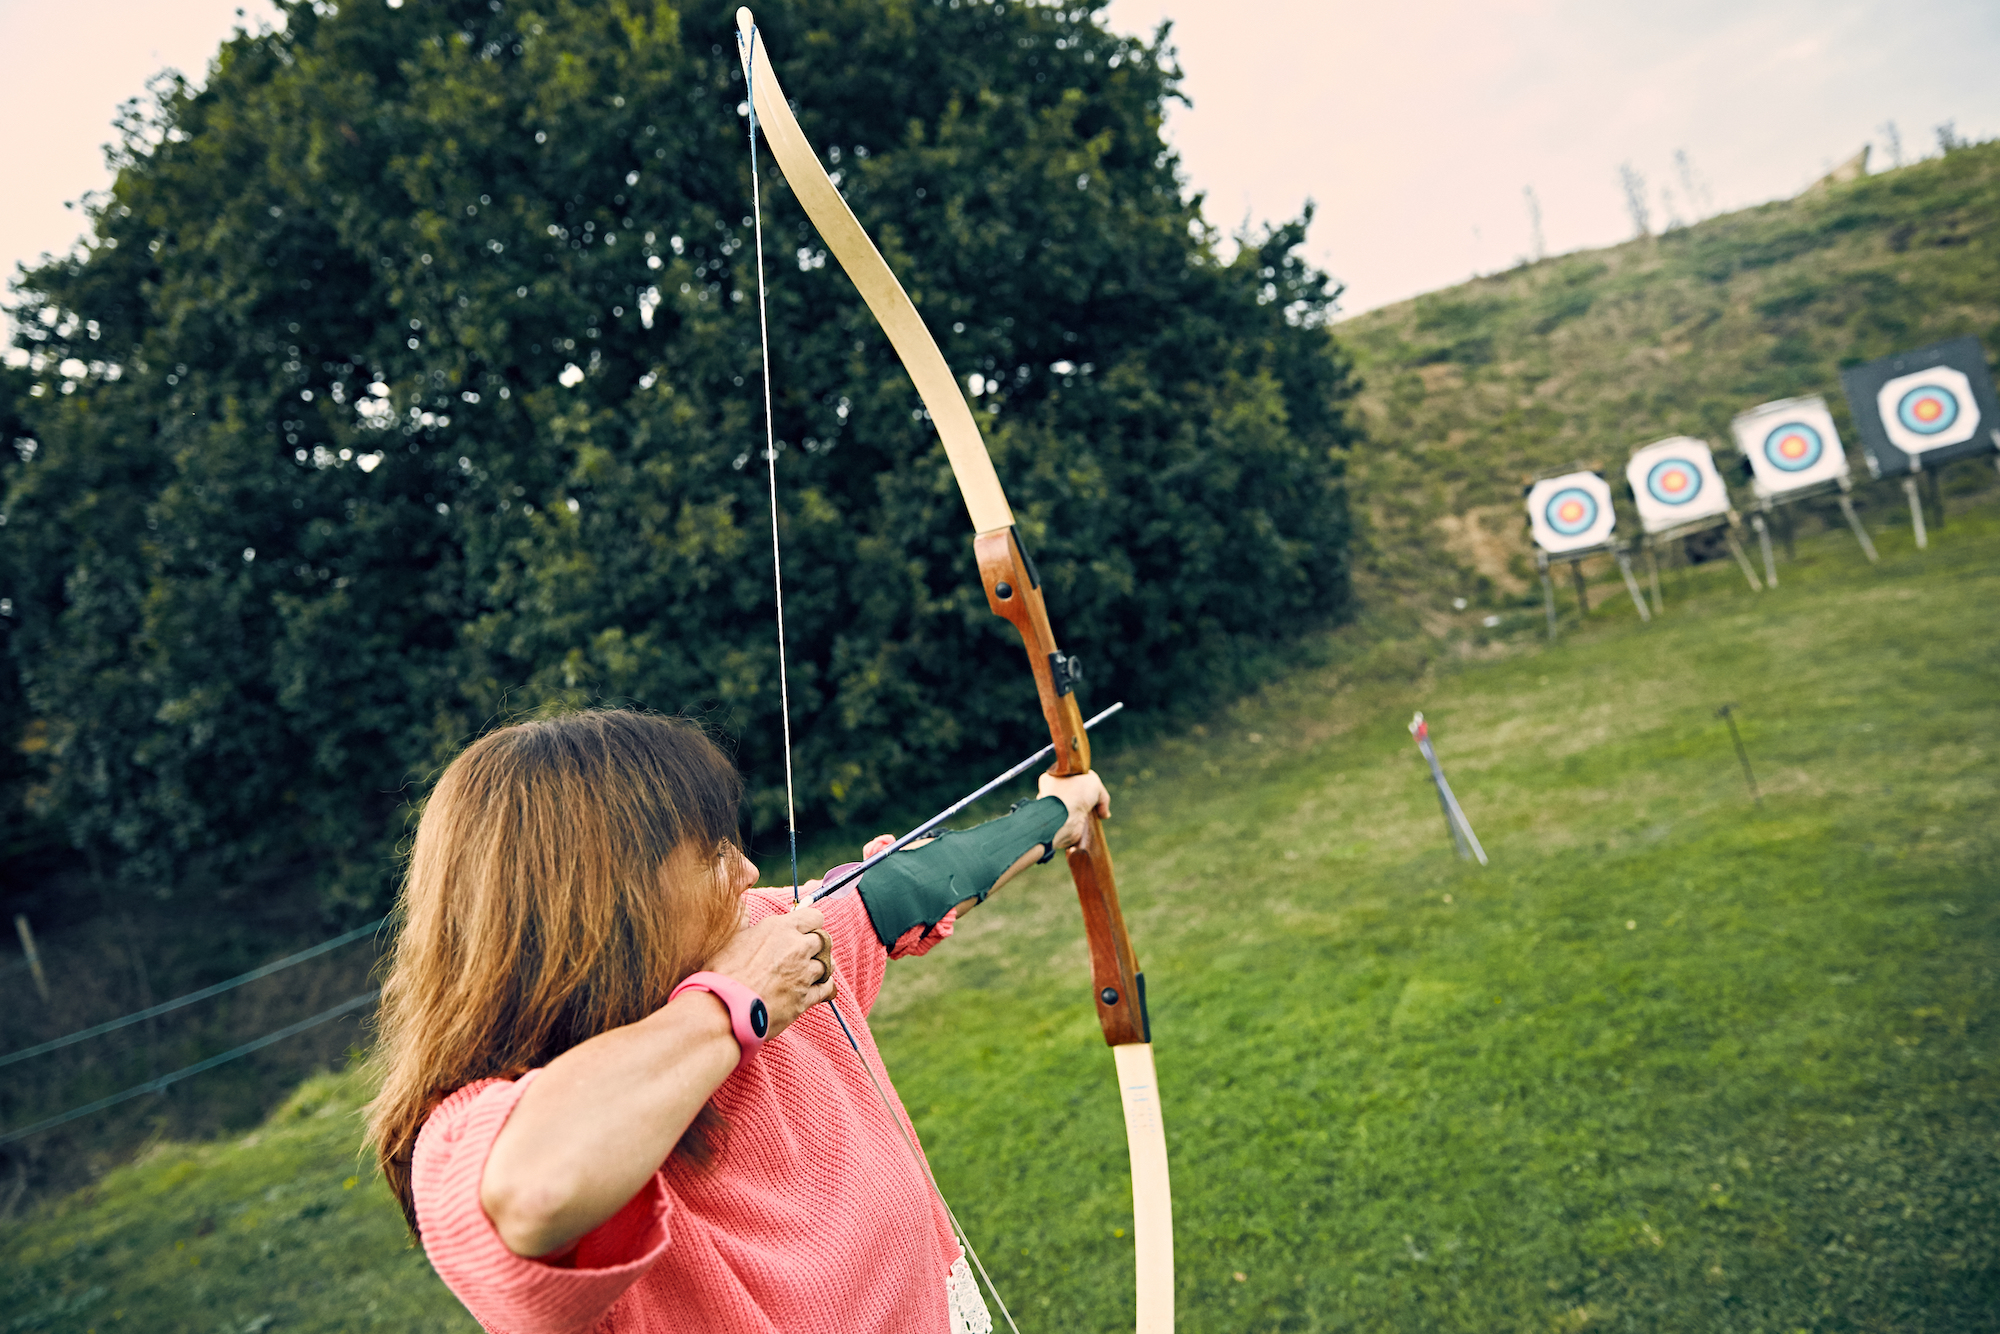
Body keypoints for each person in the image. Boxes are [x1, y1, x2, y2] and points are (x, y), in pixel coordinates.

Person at [366, 708, 1109, 1334]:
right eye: (715, 852)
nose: (750, 872)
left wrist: (1058, 814)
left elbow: (901, 890)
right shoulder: (466, 1138)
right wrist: (736, 1001)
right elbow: (537, 1190)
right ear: (614, 898)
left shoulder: (764, 940)